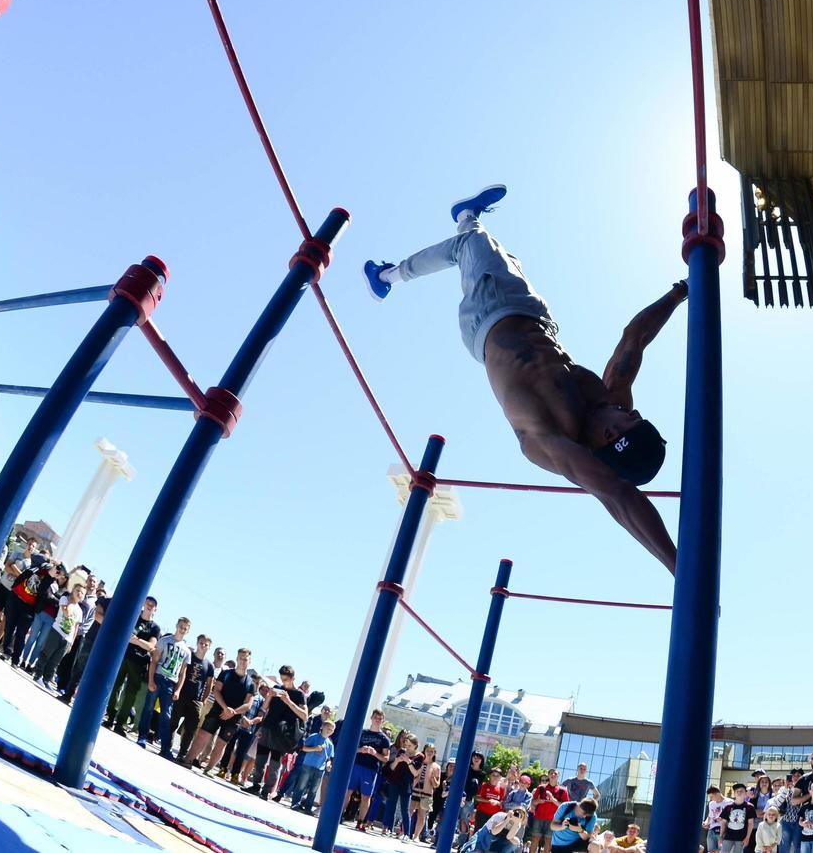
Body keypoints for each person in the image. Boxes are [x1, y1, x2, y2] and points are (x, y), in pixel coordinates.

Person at [364, 186, 684, 571]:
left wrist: (679, 567)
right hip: (536, 317)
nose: (630, 412)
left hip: (488, 317)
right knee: (501, 255)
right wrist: (680, 292)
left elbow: (618, 495)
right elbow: (634, 341)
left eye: (631, 421)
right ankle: (468, 216)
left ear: (611, 439)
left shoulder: (549, 439)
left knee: (469, 246)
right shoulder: (608, 401)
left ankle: (386, 275)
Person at [245, 665, 307, 799]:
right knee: (259, 760)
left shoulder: (299, 694)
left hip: (283, 734)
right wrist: (269, 696)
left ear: (293, 678)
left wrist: (288, 701)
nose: (283, 682)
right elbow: (265, 707)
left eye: (286, 679)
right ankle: (255, 785)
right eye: (282, 679)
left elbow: (304, 715)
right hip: (268, 727)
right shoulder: (277, 688)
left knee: (274, 764)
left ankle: (266, 791)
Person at [105, 597, 161, 735]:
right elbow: (124, 634)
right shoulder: (134, 617)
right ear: (143, 604)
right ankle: (110, 716)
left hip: (139, 662)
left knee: (130, 694)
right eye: (148, 603)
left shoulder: (155, 628)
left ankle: (120, 723)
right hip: (122, 656)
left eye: (152, 605)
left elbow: (150, 646)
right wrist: (141, 642)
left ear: (155, 609)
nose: (149, 606)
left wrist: (135, 640)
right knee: (115, 687)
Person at [139, 616, 193, 754]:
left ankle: (164, 748)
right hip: (158, 677)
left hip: (171, 683)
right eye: (181, 626)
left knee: (166, 715)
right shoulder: (164, 641)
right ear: (177, 625)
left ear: (188, 630)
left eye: (185, 628)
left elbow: (183, 673)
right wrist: (151, 680)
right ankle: (142, 737)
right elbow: (154, 661)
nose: (182, 629)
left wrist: (178, 690)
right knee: (148, 708)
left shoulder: (186, 651)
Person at [342, 708, 392, 828]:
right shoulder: (362, 733)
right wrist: (361, 750)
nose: (377, 720)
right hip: (356, 765)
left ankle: (360, 822)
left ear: (383, 721)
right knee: (347, 791)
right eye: (376, 717)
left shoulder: (384, 738)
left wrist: (375, 753)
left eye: (380, 719)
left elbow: (386, 758)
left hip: (371, 769)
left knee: (366, 796)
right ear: (371, 718)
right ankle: (340, 815)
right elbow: (351, 749)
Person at [170, 634, 215, 762]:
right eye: (201, 642)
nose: (203, 645)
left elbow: (209, 685)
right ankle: (166, 746)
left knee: (190, 729)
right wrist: (176, 689)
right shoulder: (189, 655)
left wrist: (203, 701)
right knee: (173, 722)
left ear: (209, 647)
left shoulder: (209, 666)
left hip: (196, 700)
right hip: (181, 694)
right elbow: (180, 672)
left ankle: (182, 753)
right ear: (197, 642)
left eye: (206, 644)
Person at [31, 583, 84, 687]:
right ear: (73, 590)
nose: (79, 593)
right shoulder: (65, 599)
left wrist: (71, 642)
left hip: (67, 639)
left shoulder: (80, 611)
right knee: (46, 654)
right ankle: (38, 675)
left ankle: (47, 679)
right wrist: (72, 601)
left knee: (55, 661)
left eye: (82, 593)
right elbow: (66, 612)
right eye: (77, 590)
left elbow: (76, 626)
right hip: (57, 632)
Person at [287, 720, 336, 813]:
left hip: (320, 769)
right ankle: (295, 804)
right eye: (328, 728)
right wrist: (314, 748)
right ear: (322, 727)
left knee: (313, 790)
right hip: (308, 765)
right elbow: (303, 748)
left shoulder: (330, 744)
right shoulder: (314, 737)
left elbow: (329, 758)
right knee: (301, 785)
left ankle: (308, 808)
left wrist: (329, 765)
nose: (329, 731)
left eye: (332, 730)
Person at [529, 768, 567, 853]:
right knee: (535, 840)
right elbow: (532, 802)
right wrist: (539, 801)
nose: (553, 775)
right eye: (551, 773)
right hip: (538, 817)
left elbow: (564, 807)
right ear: (548, 775)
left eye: (555, 773)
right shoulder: (541, 787)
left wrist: (553, 800)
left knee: (548, 842)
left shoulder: (563, 790)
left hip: (553, 820)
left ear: (558, 776)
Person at [719, 782, 756, 853]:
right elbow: (723, 822)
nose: (739, 792)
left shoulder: (750, 807)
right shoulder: (728, 807)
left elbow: (750, 823)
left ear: (745, 793)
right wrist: (721, 836)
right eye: (737, 791)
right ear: (734, 793)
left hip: (741, 838)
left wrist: (747, 838)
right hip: (728, 837)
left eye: (741, 791)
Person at [702, 785, 725, 852]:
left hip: (723, 831)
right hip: (711, 830)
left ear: (717, 793)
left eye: (712, 797)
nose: (711, 799)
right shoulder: (711, 804)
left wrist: (723, 820)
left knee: (722, 851)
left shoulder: (730, 802)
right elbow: (710, 816)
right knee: (711, 851)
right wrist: (706, 822)